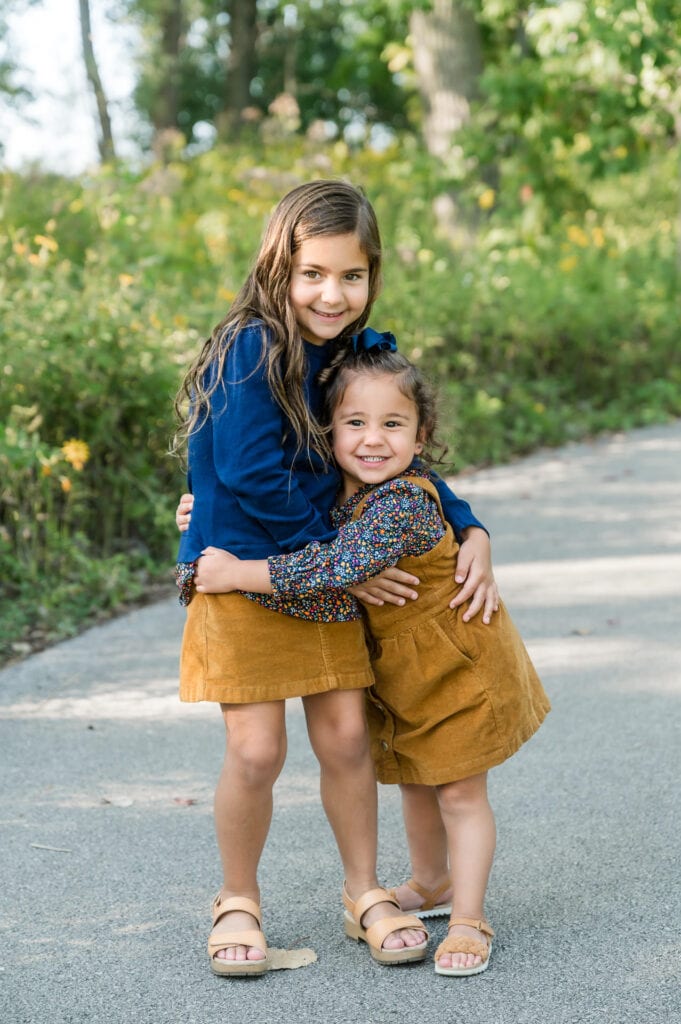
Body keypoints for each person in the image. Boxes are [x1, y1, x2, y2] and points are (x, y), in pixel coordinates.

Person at [173, 179, 499, 976]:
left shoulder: (353, 354)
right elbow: (249, 470)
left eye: (350, 276)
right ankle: (237, 899)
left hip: (324, 574)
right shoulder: (249, 346)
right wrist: (339, 564)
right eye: (312, 273)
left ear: (371, 275)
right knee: (255, 752)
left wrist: (467, 525)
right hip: (241, 577)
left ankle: (363, 892)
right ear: (278, 266)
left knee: (348, 741)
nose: (331, 293)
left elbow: (401, 449)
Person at [192, 339, 551, 977]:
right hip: (411, 674)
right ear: (326, 431)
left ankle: (468, 919)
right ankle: (431, 882)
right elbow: (250, 480)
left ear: (421, 434)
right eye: (355, 423)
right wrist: (203, 509)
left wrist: (237, 572)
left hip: (459, 669)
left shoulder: (401, 502)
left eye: (393, 425)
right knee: (417, 778)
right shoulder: (344, 486)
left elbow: (335, 565)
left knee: (459, 789)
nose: (373, 439)